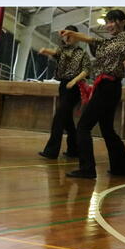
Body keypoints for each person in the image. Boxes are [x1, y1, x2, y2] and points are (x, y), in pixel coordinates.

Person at [61, 9, 125, 179]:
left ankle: (87, 169)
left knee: (83, 127)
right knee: (107, 130)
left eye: (112, 21)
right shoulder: (107, 42)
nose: (109, 25)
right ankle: (123, 168)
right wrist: (72, 33)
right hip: (105, 87)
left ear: (122, 22)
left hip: (109, 87)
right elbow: (89, 38)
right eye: (107, 22)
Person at [37, 25, 90, 160]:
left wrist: (74, 81)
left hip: (75, 87)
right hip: (63, 86)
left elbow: (86, 70)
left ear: (76, 36)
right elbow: (55, 53)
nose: (67, 38)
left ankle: (51, 151)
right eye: (65, 36)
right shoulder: (62, 50)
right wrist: (45, 50)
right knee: (66, 119)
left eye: (70, 35)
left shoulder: (82, 53)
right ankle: (74, 149)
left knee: (59, 118)